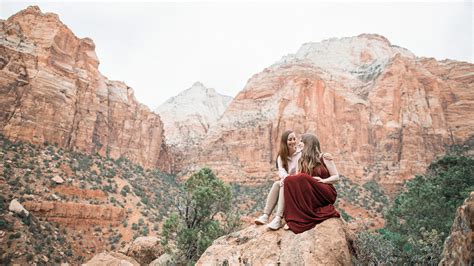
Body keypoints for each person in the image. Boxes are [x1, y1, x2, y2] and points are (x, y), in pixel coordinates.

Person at [283, 133, 341, 234]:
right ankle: (292, 218)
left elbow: (336, 177)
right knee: (288, 180)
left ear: (308, 143)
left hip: (325, 191)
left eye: (301, 141)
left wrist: (323, 181)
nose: (299, 143)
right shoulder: (300, 160)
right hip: (311, 194)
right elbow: (297, 180)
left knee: (302, 177)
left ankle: (303, 217)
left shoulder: (324, 157)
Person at [254, 130, 301, 230]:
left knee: (284, 183)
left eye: (294, 139)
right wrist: (286, 178)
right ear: (285, 142)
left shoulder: (300, 153)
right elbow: (281, 171)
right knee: (276, 184)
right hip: (288, 181)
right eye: (290, 139)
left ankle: (278, 218)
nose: (293, 141)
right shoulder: (281, 156)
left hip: (298, 183)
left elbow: (301, 171)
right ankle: (266, 215)